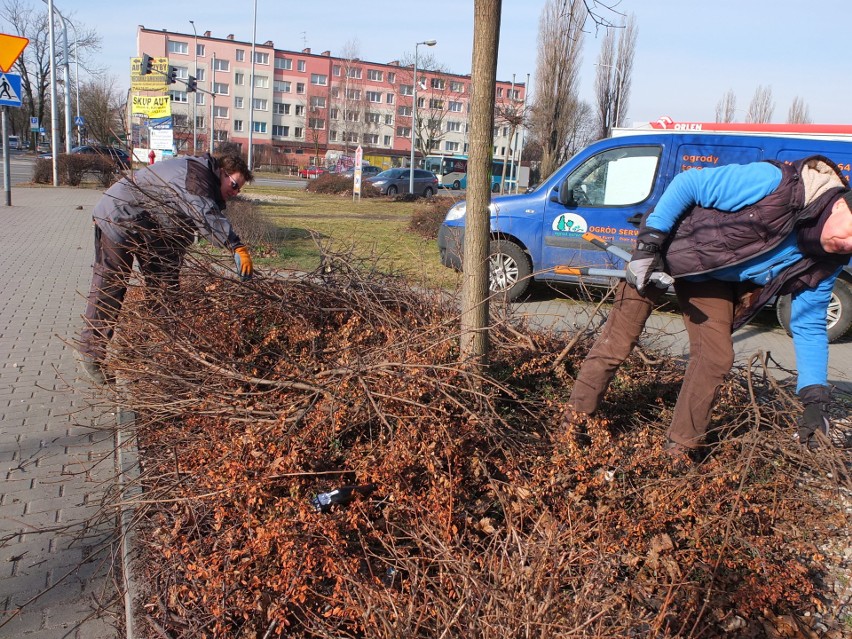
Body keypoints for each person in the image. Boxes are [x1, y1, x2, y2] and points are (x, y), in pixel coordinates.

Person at [559, 155, 852, 456]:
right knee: (618, 340)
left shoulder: (824, 261)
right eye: (851, 231)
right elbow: (690, 183)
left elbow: (809, 326)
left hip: (710, 279)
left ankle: (679, 450)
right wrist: (649, 244)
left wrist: (814, 399)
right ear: (842, 204)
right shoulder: (778, 185)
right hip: (666, 249)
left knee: (715, 358)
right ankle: (573, 425)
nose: (848, 243)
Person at [78, 151, 254, 385]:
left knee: (165, 290)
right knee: (111, 286)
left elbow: (180, 224)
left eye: (239, 189)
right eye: (234, 184)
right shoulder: (197, 176)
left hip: (149, 226)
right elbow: (204, 213)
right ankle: (92, 354)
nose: (234, 192)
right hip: (118, 216)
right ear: (221, 172)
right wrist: (235, 245)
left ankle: (160, 351)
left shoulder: (201, 180)